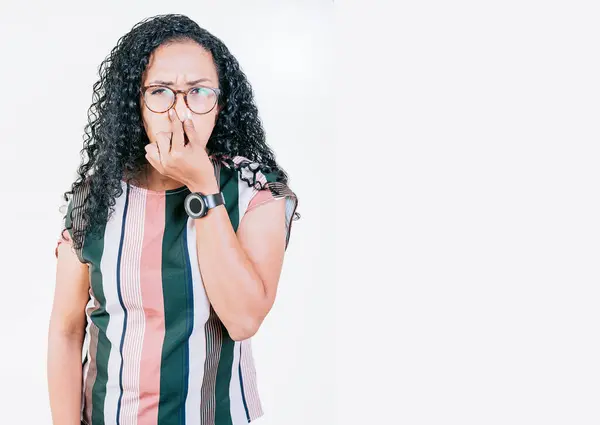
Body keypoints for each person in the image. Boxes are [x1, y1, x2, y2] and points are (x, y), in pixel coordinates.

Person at [48, 14, 300, 425]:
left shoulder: (256, 192)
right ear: (136, 104)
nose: (180, 111)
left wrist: (203, 187)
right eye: (161, 92)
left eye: (198, 92)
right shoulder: (98, 197)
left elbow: (243, 319)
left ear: (221, 103)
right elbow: (65, 330)